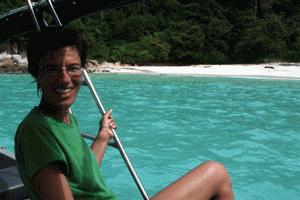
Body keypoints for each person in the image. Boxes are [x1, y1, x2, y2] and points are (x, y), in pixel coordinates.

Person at [15, 27, 234, 200]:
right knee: (216, 174)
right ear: (35, 72)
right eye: (52, 70)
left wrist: (102, 137)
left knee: (216, 172)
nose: (64, 79)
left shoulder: (64, 119)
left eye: (73, 68)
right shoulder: (37, 132)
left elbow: (82, 176)